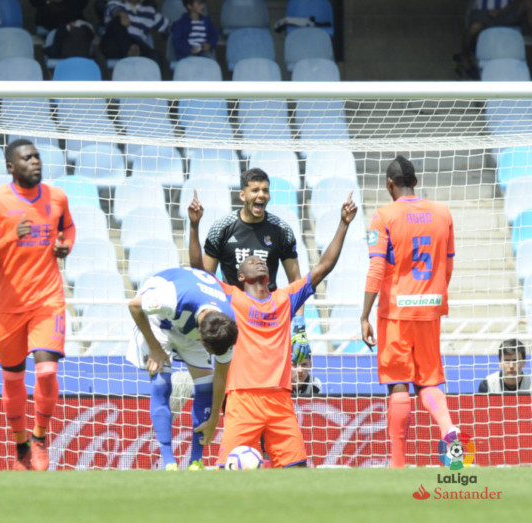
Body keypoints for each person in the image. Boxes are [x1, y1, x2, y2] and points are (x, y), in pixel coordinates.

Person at [189, 189, 358, 468]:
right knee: (226, 476)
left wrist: (343, 224)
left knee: (297, 473)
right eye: (250, 259)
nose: (258, 258)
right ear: (240, 275)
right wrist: (194, 225)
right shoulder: (232, 298)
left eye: (262, 258)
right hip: (242, 398)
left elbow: (324, 266)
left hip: (280, 399)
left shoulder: (285, 299)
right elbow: (199, 272)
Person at [0, 139, 76, 471]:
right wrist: (10, 238)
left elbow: (68, 229)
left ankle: (39, 438)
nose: (35, 162)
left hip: (48, 300)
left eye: (37, 157)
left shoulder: (57, 196)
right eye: (26, 158)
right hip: (9, 306)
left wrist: (65, 246)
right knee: (13, 380)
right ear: (11, 166)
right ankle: (20, 443)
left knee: (46, 371)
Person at [360, 155, 460, 469]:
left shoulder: (383, 216)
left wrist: (364, 315)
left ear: (389, 185)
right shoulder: (442, 213)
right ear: (415, 182)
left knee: (399, 383)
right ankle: (447, 427)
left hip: (396, 313)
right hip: (430, 309)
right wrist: (433, 295)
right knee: (429, 380)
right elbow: (449, 263)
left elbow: (376, 269)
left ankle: (398, 463)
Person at [126, 267, 238, 470]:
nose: (212, 356)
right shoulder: (171, 297)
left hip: (191, 321)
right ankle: (169, 461)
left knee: (206, 386)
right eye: (209, 350)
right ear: (201, 337)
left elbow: (221, 377)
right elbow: (134, 306)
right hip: (158, 320)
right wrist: (154, 347)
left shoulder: (226, 327)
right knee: (161, 382)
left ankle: (196, 461)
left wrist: (214, 418)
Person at [202, 168, 307, 336]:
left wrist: (299, 323)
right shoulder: (221, 229)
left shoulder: (282, 230)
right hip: (231, 316)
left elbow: (296, 281)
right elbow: (206, 279)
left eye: (265, 190)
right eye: (255, 190)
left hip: (268, 316)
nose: (261, 195)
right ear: (243, 195)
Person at [454, 0, 532, 79]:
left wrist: (503, 10)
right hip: (484, 12)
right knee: (474, 28)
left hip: (508, 10)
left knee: (529, 3)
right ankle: (465, 55)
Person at [100, 0, 171, 63]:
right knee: (117, 21)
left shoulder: (149, 11)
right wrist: (121, 13)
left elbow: (169, 26)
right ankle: (129, 52)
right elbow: (111, 9)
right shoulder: (115, 3)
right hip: (114, 45)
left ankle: (131, 53)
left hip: (137, 46)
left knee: (156, 57)